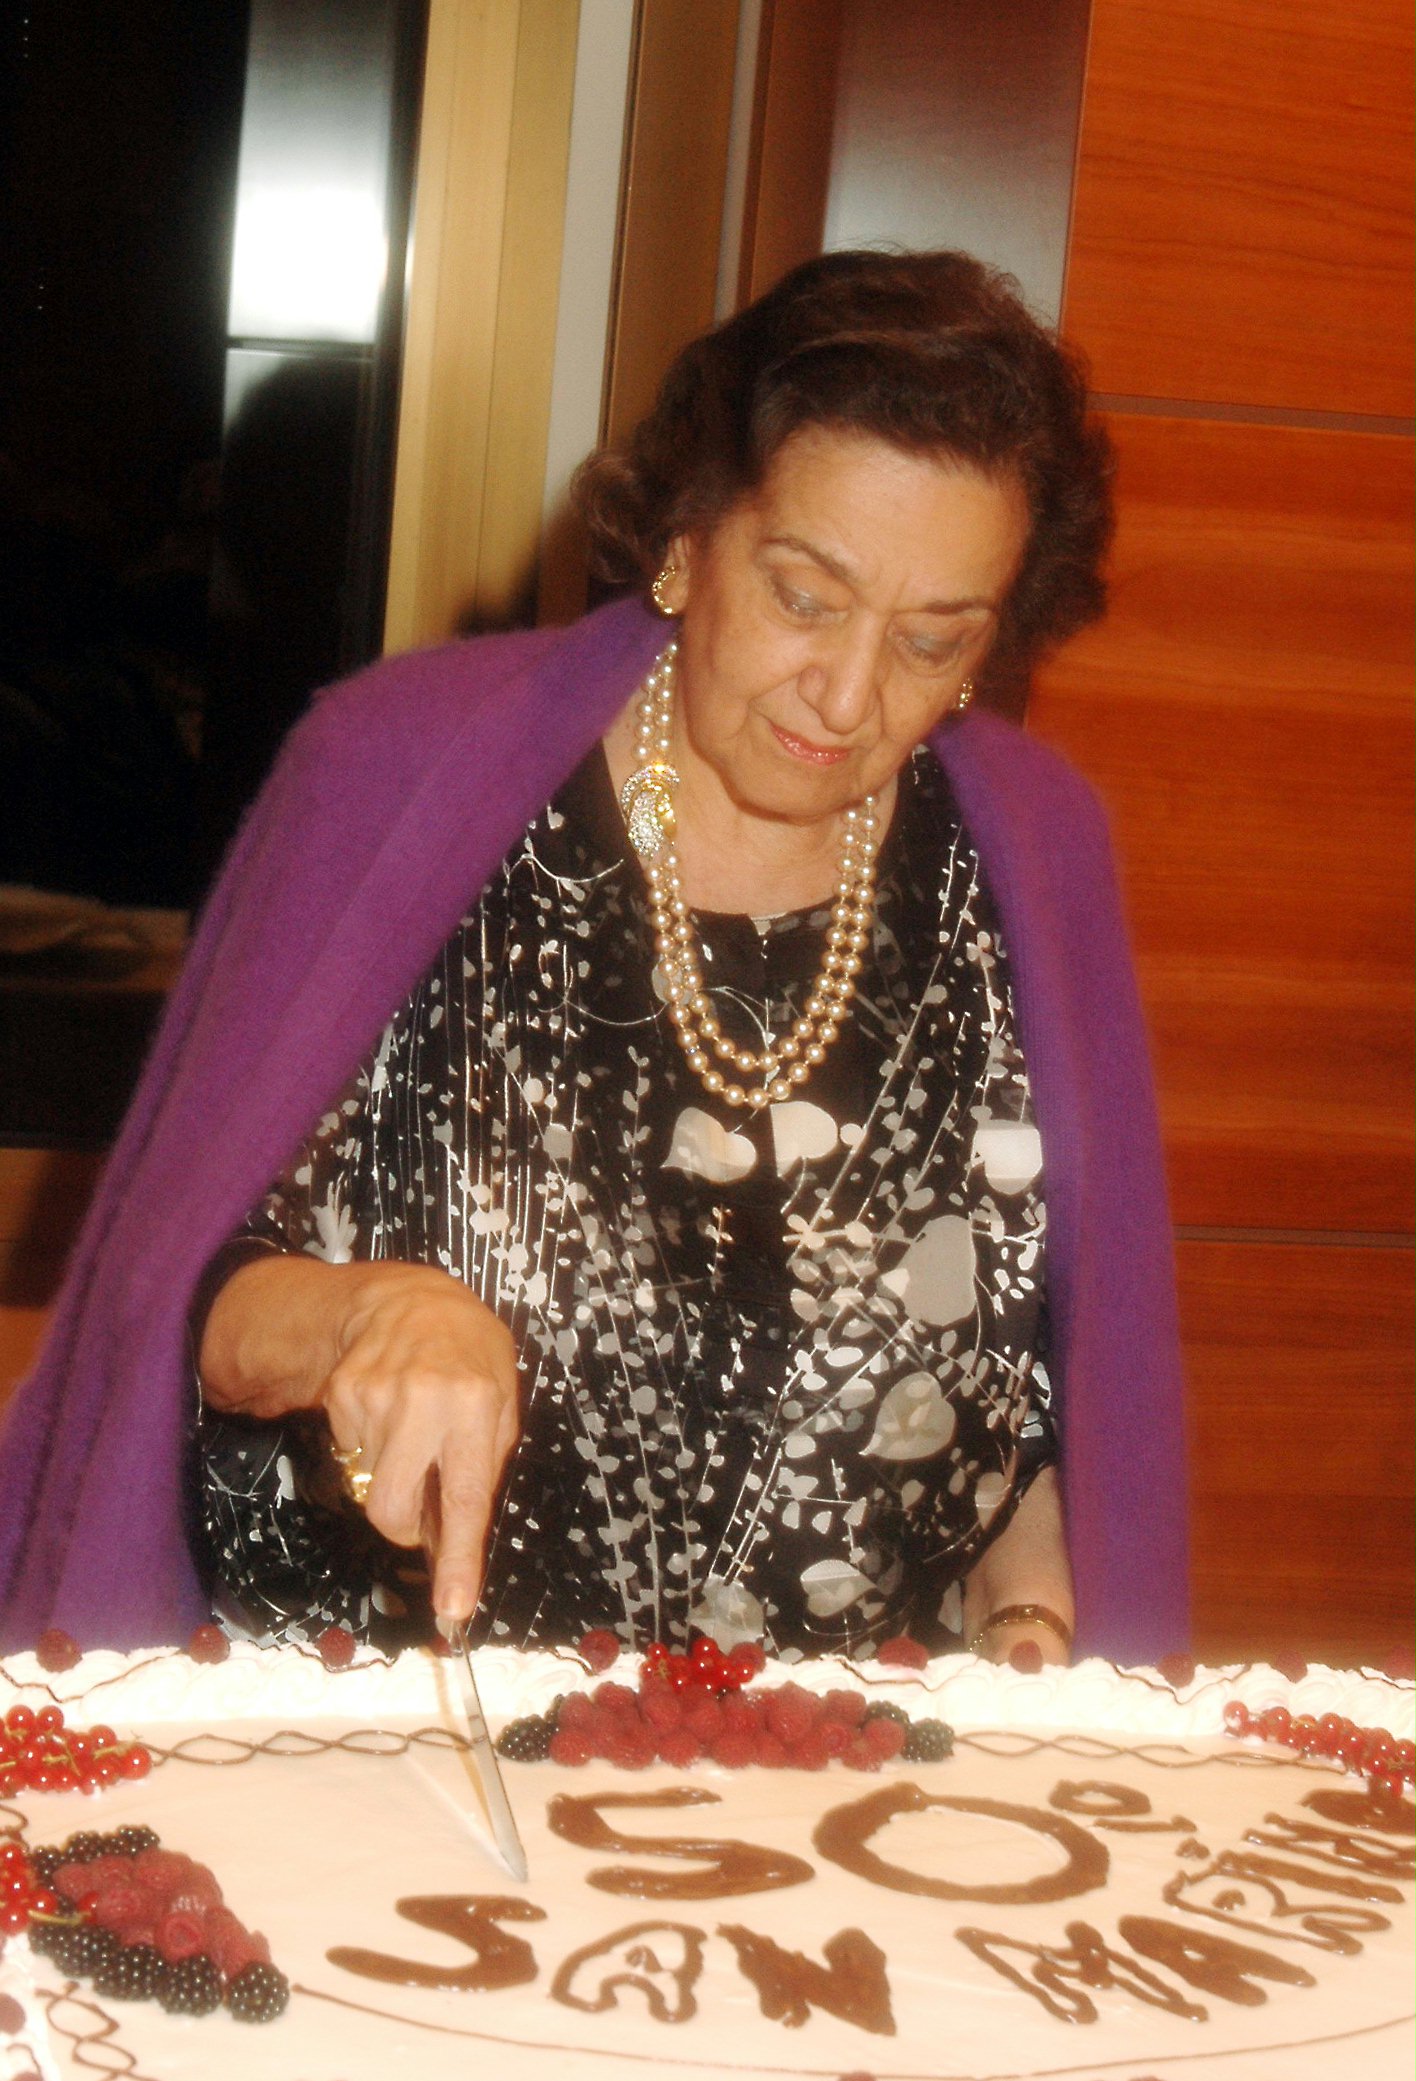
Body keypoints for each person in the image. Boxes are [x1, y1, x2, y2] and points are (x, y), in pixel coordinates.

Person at [0, 252, 1187, 1667]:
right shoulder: (399, 776)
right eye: (807, 596)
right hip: (375, 1754)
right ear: (687, 538)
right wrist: (371, 1311)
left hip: (843, 1796)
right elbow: (187, 1299)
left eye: (935, 638)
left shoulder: (1030, 858)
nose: (854, 693)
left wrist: (1039, 1626)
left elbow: (1043, 1401)